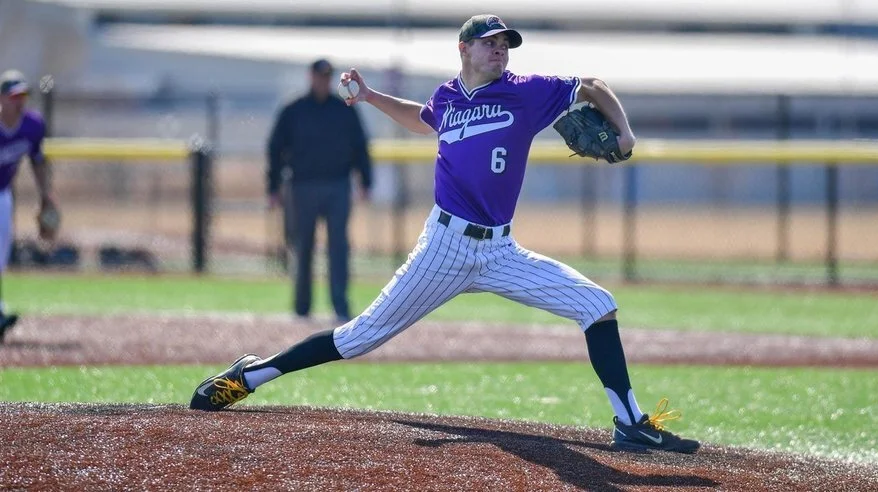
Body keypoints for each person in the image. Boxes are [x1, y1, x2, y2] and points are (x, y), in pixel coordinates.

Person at [192, 15, 700, 454]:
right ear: (465, 49)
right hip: (445, 247)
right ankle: (249, 376)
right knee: (359, 337)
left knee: (597, 304)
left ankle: (630, 424)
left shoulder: (525, 91)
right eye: (489, 42)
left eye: (505, 44)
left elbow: (591, 85)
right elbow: (423, 118)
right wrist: (369, 97)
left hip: (501, 250)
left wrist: (625, 131)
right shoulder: (448, 97)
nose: (500, 50)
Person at [267, 58, 373, 323]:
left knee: (338, 248)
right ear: (310, 76)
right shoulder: (294, 109)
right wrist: (273, 187)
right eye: (319, 76)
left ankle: (340, 307)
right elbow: (275, 148)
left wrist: (365, 181)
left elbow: (360, 145)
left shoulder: (343, 109)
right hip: (302, 186)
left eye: (327, 77)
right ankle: (302, 309)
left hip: (337, 185)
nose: (323, 81)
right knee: (302, 247)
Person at [0, 69, 56, 344]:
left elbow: (37, 161)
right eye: (13, 96)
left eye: (22, 95)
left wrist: (46, 197)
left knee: (0, 256)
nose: (19, 101)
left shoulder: (32, 126)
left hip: (2, 195)